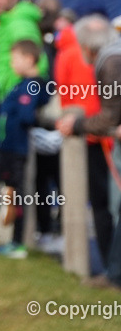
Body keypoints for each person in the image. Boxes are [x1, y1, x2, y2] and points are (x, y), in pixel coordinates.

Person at [57, 15, 121, 286]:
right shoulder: (112, 57)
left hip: (103, 141)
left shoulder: (110, 62)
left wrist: (79, 124)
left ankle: (114, 274)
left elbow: (109, 116)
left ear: (85, 47)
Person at [0, 39, 49, 258]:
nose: (12, 63)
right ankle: (0, 238)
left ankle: (17, 243)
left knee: (17, 195)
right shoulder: (21, 82)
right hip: (5, 147)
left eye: (15, 58)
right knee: (6, 193)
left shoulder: (34, 84)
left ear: (29, 59)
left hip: (16, 150)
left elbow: (27, 116)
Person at [0, 0, 47, 101]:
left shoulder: (19, 23)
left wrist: (17, 93)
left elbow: (36, 63)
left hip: (15, 99)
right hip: (6, 95)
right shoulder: (5, 22)